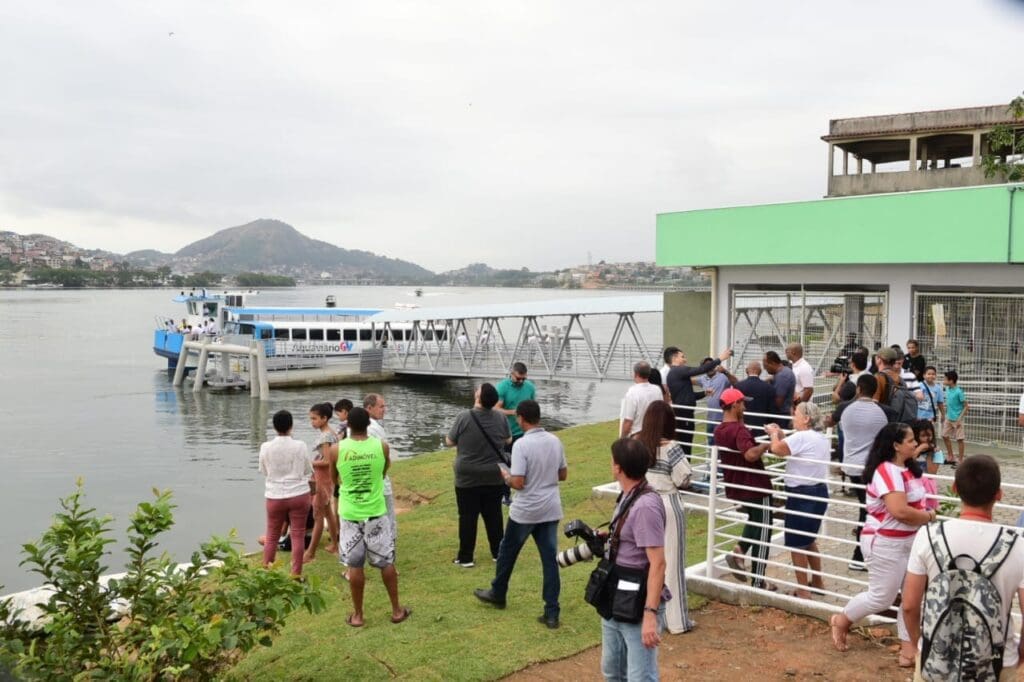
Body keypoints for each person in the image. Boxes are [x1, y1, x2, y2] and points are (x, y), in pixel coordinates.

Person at [903, 455, 1024, 681]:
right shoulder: (1016, 545)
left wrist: (919, 643)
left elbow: (909, 605)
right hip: (996, 664)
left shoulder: (928, 536)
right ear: (999, 494)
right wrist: (1020, 653)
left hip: (935, 662)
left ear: (955, 488)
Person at [829, 422, 935, 667]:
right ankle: (842, 620)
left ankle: (909, 648)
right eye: (910, 441)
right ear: (896, 446)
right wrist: (929, 517)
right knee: (882, 597)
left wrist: (924, 516)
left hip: (909, 542)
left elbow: (913, 508)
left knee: (911, 597)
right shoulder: (887, 471)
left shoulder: (908, 469)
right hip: (885, 542)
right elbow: (900, 511)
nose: (915, 444)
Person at [474, 400, 567, 629]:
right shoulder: (555, 441)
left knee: (507, 551)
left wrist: (506, 477)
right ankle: (551, 611)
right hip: (550, 507)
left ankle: (498, 591)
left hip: (526, 510)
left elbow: (518, 482)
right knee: (549, 560)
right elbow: (562, 474)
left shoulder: (521, 445)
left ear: (521, 419)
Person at [334, 407, 410, 627]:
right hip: (376, 511)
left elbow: (335, 477)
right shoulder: (381, 447)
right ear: (369, 424)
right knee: (386, 561)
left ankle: (358, 615)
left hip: (350, 512)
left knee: (354, 565)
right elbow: (383, 471)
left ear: (348, 425)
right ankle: (396, 610)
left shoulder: (337, 450)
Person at [600, 438, 669, 681]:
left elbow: (658, 563)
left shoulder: (645, 506)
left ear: (618, 468)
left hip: (637, 601)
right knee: (612, 670)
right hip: (616, 595)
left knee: (641, 676)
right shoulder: (629, 495)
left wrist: (650, 614)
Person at [635, 401, 695, 634]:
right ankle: (677, 621)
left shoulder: (638, 443)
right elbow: (684, 478)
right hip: (668, 502)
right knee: (671, 561)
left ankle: (645, 612)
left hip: (643, 502)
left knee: (645, 561)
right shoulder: (672, 447)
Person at [765, 402, 831, 599]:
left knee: (796, 543)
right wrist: (781, 436)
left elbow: (777, 449)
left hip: (802, 494)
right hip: (819, 492)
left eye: (796, 414)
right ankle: (818, 582)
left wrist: (773, 433)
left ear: (806, 418)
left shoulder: (803, 437)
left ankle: (803, 590)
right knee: (809, 540)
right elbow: (790, 447)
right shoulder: (819, 437)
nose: (793, 417)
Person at [714, 388, 773, 590]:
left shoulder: (719, 430)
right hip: (756, 485)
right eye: (742, 403)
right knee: (764, 528)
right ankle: (758, 581)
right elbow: (749, 454)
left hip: (737, 485)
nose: (745, 406)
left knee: (755, 521)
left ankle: (739, 550)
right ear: (734, 405)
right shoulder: (739, 430)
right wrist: (765, 445)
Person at [446, 382, 511, 567]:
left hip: (467, 476)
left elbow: (449, 441)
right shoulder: (500, 418)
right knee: (494, 516)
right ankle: (498, 553)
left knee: (467, 516)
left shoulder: (464, 417)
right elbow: (508, 439)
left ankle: (466, 557)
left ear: (478, 397)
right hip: (493, 474)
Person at [838, 374, 889, 571]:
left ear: (859, 389)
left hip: (852, 467)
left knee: (866, 508)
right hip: (871, 468)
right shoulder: (881, 413)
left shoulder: (847, 410)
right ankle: (861, 556)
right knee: (868, 510)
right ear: (875, 390)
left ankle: (863, 555)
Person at [258, 410, 313, 578]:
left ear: (274, 427)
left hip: (274, 495)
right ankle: (295, 575)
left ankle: (267, 572)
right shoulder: (300, 446)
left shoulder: (266, 447)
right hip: (299, 494)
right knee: (297, 534)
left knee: (272, 533)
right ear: (291, 426)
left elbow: (264, 470)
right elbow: (306, 470)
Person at [666, 347, 733, 455]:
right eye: (682, 357)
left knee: (686, 445)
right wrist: (720, 358)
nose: (685, 360)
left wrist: (704, 393)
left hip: (684, 415)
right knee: (685, 447)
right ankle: (684, 470)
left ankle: (685, 469)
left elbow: (689, 396)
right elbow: (700, 370)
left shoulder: (676, 373)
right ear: (674, 358)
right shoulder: (678, 370)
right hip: (684, 416)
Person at [304, 402, 339, 563]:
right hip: (327, 478)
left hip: (322, 478)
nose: (312, 422)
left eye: (315, 418)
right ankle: (335, 544)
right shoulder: (332, 432)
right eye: (311, 419)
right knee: (328, 512)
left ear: (324, 418)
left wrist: (310, 463)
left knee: (318, 515)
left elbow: (326, 460)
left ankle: (310, 552)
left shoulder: (325, 436)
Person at [364, 393, 398, 542]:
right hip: (378, 479)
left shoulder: (359, 426)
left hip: (366, 481)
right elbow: (385, 457)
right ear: (369, 408)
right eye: (381, 406)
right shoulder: (373, 427)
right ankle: (388, 543)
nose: (384, 409)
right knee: (387, 515)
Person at [620, 361, 664, 437]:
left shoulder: (632, 393)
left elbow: (628, 421)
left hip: (638, 436)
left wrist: (622, 438)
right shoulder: (657, 390)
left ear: (636, 374)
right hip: (654, 434)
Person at [698, 359, 736, 445]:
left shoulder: (723, 376)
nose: (710, 367)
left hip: (722, 419)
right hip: (710, 419)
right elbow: (690, 380)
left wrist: (726, 372)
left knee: (721, 444)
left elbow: (736, 382)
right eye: (707, 366)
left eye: (711, 365)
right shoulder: (702, 379)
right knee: (711, 444)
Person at [735, 361, 774, 434]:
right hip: (762, 427)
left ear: (746, 370)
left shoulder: (738, 386)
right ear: (760, 372)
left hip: (743, 426)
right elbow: (772, 409)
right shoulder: (768, 388)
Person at [942, 370, 969, 467]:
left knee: (960, 439)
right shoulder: (947, 389)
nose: (943, 381)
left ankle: (960, 460)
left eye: (945, 379)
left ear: (951, 380)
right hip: (949, 417)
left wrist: (959, 419)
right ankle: (951, 456)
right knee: (944, 435)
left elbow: (966, 406)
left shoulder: (959, 391)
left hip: (957, 419)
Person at [763, 350, 796, 425]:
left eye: (766, 366)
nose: (765, 369)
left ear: (772, 363)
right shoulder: (785, 372)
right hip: (784, 413)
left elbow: (778, 402)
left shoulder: (782, 376)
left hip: (781, 416)